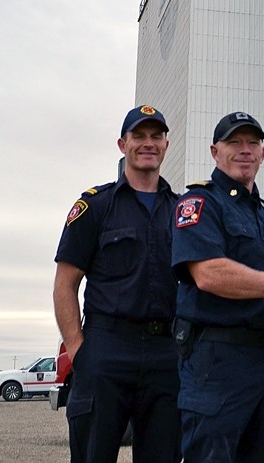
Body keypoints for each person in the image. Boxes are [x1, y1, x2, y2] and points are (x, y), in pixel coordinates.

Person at [171, 111, 264, 462]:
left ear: (263, 154)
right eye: (234, 142)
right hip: (217, 361)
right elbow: (209, 274)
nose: (245, 150)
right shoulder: (199, 204)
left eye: (252, 143)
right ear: (215, 151)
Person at [53, 105, 181, 463]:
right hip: (107, 350)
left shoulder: (183, 210)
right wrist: (79, 349)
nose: (148, 143)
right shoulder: (95, 206)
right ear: (122, 144)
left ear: (167, 145)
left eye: (156, 136)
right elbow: (65, 283)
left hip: (166, 354)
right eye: (139, 136)